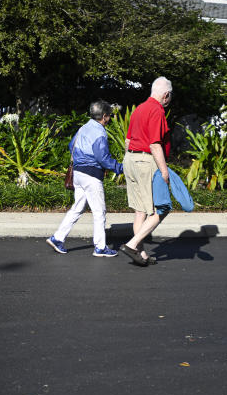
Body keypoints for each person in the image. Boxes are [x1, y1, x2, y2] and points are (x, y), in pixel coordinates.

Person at [46, 101, 123, 257]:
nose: (109, 119)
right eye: (108, 116)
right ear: (104, 116)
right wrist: (121, 168)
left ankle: (57, 238)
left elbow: (71, 145)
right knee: (99, 211)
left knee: (78, 207)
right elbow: (103, 158)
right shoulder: (100, 132)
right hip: (91, 175)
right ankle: (100, 247)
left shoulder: (83, 128)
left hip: (78, 174)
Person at [120, 76, 173, 267]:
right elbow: (154, 144)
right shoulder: (157, 110)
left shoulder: (139, 109)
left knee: (140, 211)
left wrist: (130, 161)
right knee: (163, 207)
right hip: (145, 161)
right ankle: (132, 244)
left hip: (130, 159)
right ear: (166, 95)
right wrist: (164, 171)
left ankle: (140, 253)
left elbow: (127, 141)